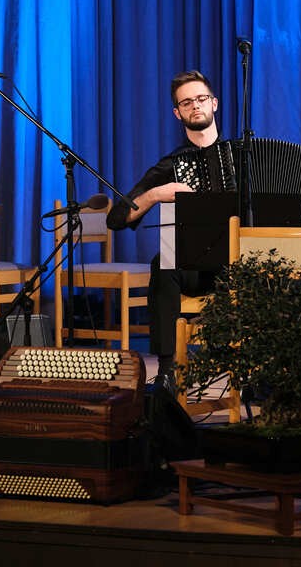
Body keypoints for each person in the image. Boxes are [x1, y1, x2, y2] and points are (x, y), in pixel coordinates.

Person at [107, 71, 227, 391]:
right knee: (163, 263)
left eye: (201, 99)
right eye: (186, 103)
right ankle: (166, 371)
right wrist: (156, 194)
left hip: (242, 266)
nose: (195, 106)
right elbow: (117, 217)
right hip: (199, 268)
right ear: (177, 113)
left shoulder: (245, 155)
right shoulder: (171, 164)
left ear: (214, 103)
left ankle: (269, 377)